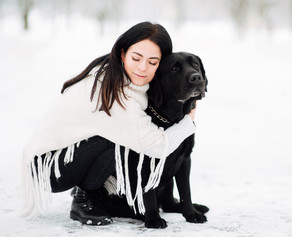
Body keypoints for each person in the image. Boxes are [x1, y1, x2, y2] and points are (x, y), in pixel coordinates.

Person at [21, 22, 197, 225]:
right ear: (123, 55)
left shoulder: (119, 76)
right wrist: (187, 121)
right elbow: (154, 145)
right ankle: (84, 200)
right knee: (122, 142)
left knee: (119, 139)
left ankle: (90, 193)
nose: (142, 67)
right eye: (136, 58)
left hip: (65, 159)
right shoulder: (114, 92)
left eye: (153, 61)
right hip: (49, 170)